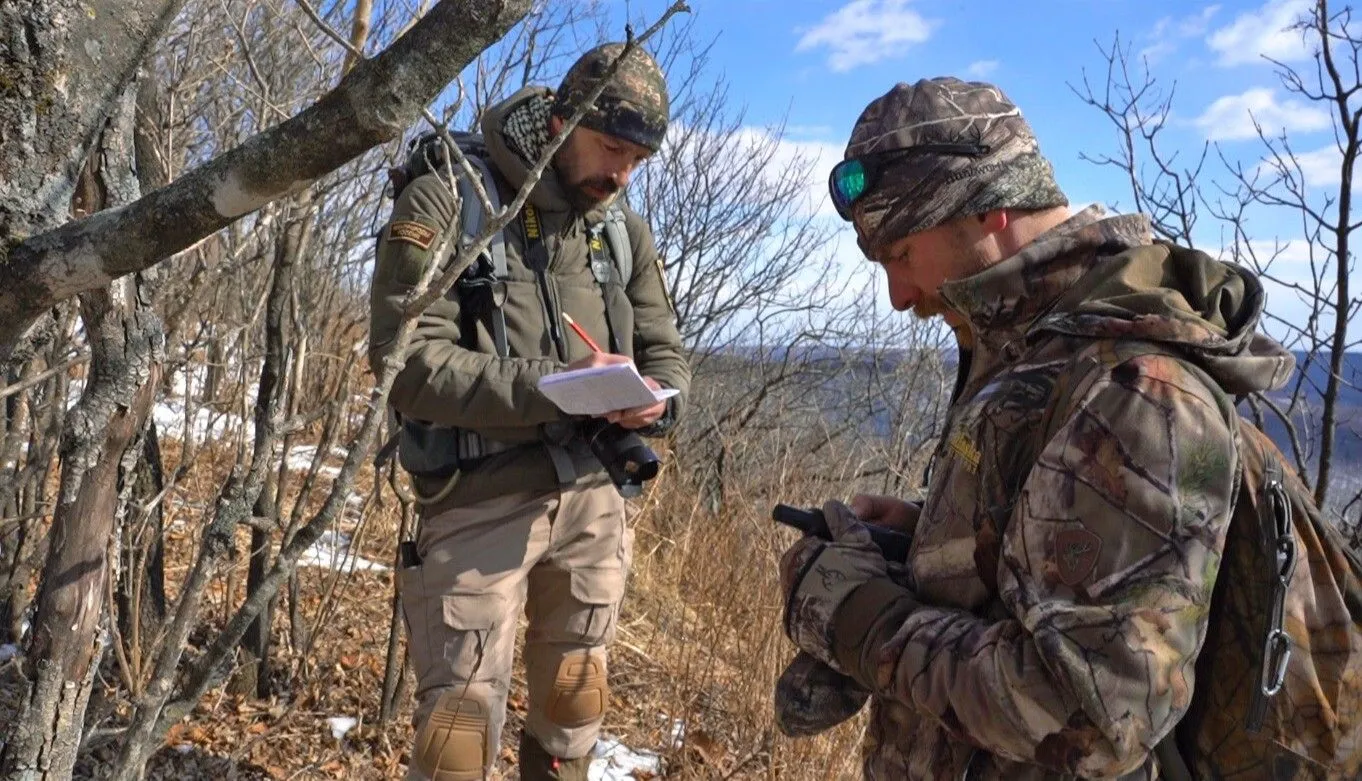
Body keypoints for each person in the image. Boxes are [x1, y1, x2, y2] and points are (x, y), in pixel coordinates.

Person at [775, 77, 1301, 779]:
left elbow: (1088, 716)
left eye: (901, 254)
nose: (899, 296)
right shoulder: (1027, 347)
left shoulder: (1139, 391)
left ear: (989, 207)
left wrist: (864, 623)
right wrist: (929, 543)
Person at [367, 43, 690, 781]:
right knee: (457, 738)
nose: (622, 175)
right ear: (561, 119)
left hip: (595, 497)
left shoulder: (618, 228)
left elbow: (668, 356)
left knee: (576, 703)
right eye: (612, 148)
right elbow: (404, 362)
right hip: (476, 501)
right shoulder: (450, 195)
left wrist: (651, 404)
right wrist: (554, 386)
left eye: (639, 159)